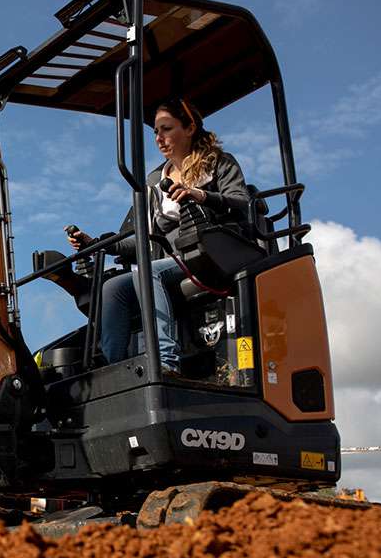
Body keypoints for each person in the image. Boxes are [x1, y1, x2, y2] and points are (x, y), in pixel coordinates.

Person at [68, 98, 251, 374]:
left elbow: (241, 202)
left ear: (189, 129)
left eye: (166, 129)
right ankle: (114, 369)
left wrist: (199, 194)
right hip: (172, 261)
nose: (159, 138)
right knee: (112, 289)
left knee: (147, 272)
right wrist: (95, 244)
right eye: (155, 131)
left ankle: (165, 360)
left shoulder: (219, 163)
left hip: (211, 254)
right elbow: (139, 239)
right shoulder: (154, 182)